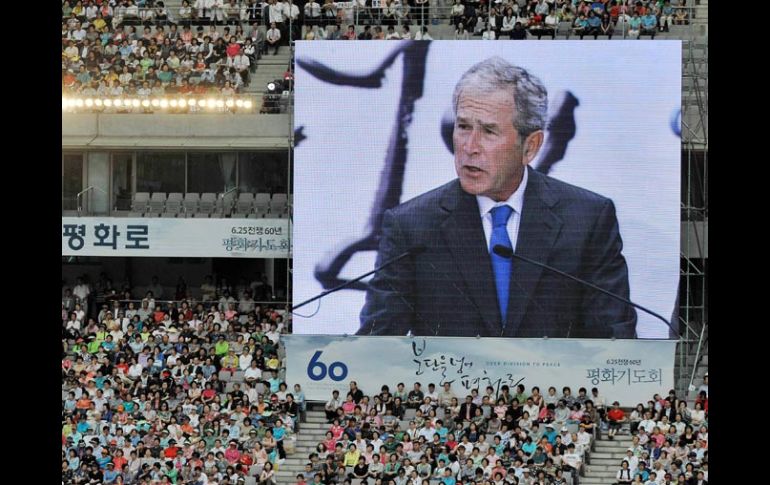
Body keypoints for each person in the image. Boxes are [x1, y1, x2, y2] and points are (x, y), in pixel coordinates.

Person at [358, 56, 637, 338]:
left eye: (489, 131)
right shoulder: (412, 226)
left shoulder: (587, 220)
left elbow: (614, 343)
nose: (469, 147)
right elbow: (376, 347)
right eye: (463, 127)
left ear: (531, 146)